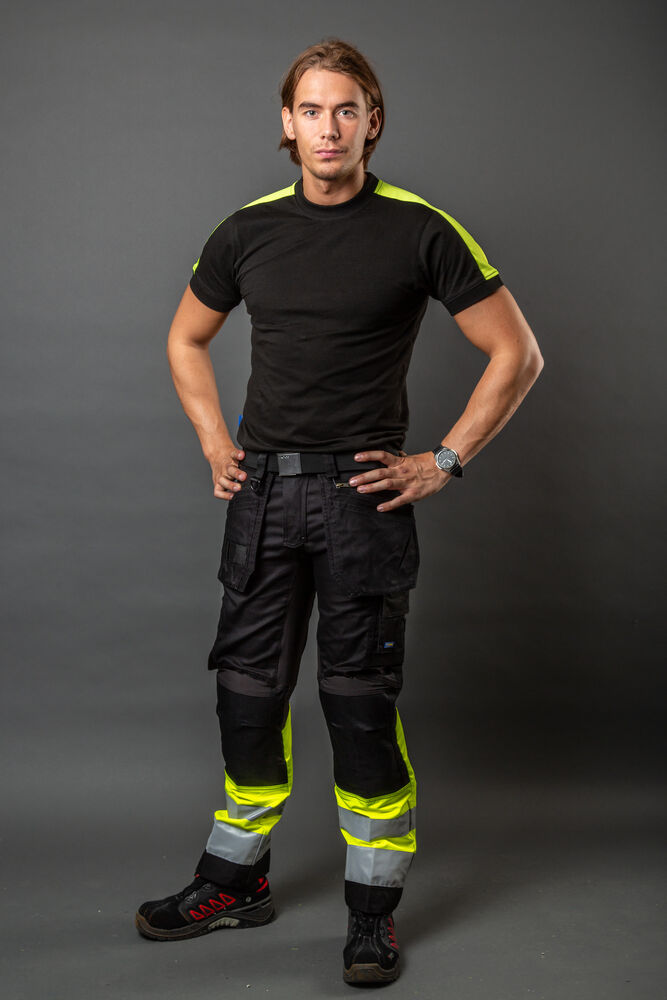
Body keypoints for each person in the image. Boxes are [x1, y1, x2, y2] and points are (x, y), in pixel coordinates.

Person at [135, 39, 543, 986]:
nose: (328, 128)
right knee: (246, 696)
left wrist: (443, 461)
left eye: (346, 110)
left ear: (372, 122)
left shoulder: (420, 229)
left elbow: (516, 353)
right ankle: (235, 879)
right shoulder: (246, 231)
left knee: (358, 705)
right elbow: (186, 338)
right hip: (263, 496)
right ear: (287, 123)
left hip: (364, 500)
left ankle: (372, 913)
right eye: (311, 111)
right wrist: (214, 441)